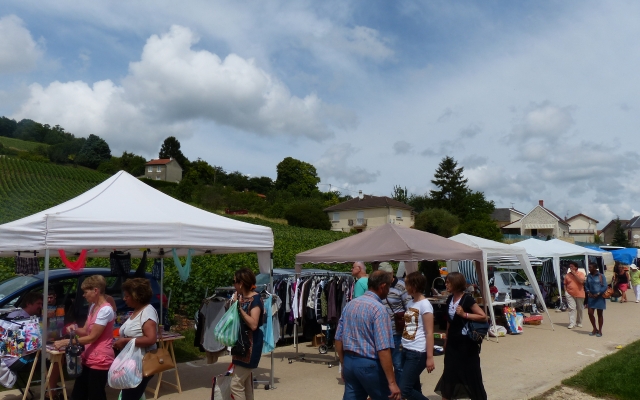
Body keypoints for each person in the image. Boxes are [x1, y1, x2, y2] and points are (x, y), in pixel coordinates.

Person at [335, 270, 401, 400]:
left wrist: (343, 363)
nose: (389, 290)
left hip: (349, 362)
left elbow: (338, 338)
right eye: (388, 286)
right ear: (382, 286)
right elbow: (383, 349)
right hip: (369, 365)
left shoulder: (350, 305)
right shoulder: (379, 310)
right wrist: (392, 382)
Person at [54, 275, 115, 400]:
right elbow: (86, 331)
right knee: (78, 394)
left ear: (96, 291)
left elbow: (92, 337)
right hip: (89, 357)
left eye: (86, 292)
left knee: (95, 395)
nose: (83, 295)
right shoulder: (93, 307)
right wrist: (74, 329)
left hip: (100, 359)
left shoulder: (106, 310)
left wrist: (66, 342)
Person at [435, 272, 487, 400]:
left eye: (448, 282)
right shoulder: (449, 299)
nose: (446, 284)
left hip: (467, 345)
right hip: (452, 343)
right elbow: (449, 322)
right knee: (449, 373)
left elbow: (483, 316)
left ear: (456, 283)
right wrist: (446, 340)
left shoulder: (467, 299)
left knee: (471, 374)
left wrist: (465, 315)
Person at [112, 278, 158, 400]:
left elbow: (151, 339)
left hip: (141, 364)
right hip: (131, 364)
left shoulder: (147, 312)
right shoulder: (137, 311)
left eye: (127, 296)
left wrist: (125, 341)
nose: (124, 299)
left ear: (136, 296)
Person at [399, 272, 435, 400]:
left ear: (414, 286)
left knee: (404, 390)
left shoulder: (425, 305)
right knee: (413, 387)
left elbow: (429, 332)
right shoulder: (411, 303)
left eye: (407, 284)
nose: (405, 287)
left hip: (417, 351)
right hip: (406, 348)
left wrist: (430, 357)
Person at [230, 268, 264, 400]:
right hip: (240, 344)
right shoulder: (240, 298)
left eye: (234, 281)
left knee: (236, 384)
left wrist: (239, 309)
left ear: (241, 283)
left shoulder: (256, 299)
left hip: (250, 345)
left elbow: (254, 324)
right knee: (246, 383)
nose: (233, 284)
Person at [379, 262, 410, 386]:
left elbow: (409, 308)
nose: (388, 277)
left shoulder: (401, 286)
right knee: (383, 363)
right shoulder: (379, 286)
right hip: (381, 332)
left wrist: (409, 333)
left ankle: (400, 390)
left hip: (396, 331)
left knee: (398, 364)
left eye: (389, 274)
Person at [585, 262, 606, 337]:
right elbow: (586, 285)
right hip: (591, 297)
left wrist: (598, 293)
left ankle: (600, 330)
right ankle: (594, 328)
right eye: (589, 267)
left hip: (599, 297)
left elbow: (605, 286)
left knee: (599, 314)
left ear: (594, 268)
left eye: (590, 267)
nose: (589, 268)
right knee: (590, 313)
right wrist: (588, 292)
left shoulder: (601, 276)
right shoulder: (589, 276)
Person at [563, 261, 586, 329]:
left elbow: (581, 281)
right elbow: (565, 284)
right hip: (569, 293)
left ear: (576, 267)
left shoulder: (581, 274)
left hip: (579, 293)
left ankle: (579, 322)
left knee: (580, 309)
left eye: (572, 266)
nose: (571, 268)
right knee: (572, 308)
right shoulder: (567, 275)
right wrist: (566, 292)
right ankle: (572, 323)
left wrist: (575, 274)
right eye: (570, 266)